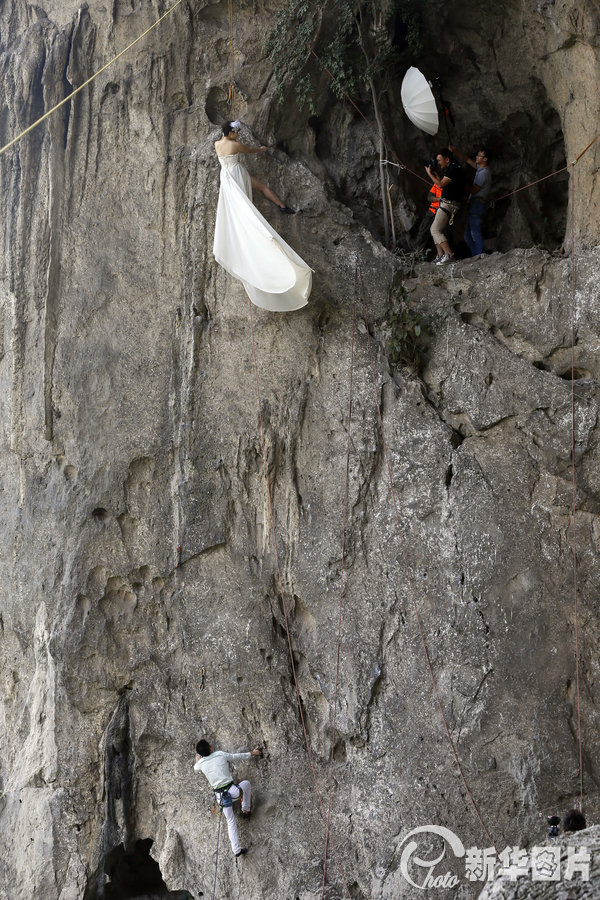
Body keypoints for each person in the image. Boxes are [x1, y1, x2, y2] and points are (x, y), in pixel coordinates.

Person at [213, 121, 312, 312]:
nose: (238, 135)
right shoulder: (234, 145)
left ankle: (281, 206)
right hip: (236, 174)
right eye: (237, 132)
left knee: (245, 200)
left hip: (226, 176)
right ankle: (282, 206)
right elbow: (249, 151)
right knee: (259, 191)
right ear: (231, 132)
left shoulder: (217, 144)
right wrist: (262, 149)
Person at [194, 739, 262, 857]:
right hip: (233, 792)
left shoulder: (200, 764)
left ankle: (236, 850)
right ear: (210, 748)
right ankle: (245, 810)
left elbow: (195, 767)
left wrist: (198, 759)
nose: (211, 745)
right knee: (246, 784)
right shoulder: (220, 754)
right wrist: (252, 753)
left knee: (230, 821)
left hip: (221, 797)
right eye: (210, 744)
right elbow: (236, 756)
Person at [425, 149, 465, 265]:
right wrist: (436, 174)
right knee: (435, 229)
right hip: (448, 203)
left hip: (449, 203)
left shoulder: (453, 168)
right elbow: (443, 184)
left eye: (439, 160)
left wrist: (429, 173)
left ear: (447, 159)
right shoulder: (453, 168)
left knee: (435, 230)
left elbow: (440, 184)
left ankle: (449, 255)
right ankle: (440, 255)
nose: (438, 163)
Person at [450, 144, 491, 258]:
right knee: (467, 235)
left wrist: (461, 182)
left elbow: (473, 190)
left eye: (479, 156)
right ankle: (475, 255)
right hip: (474, 203)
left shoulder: (484, 174)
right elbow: (468, 160)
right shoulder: (480, 169)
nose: (476, 157)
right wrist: (455, 151)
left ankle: (479, 255)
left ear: (485, 159)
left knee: (474, 232)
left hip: (477, 203)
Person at [413, 177, 442, 254]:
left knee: (440, 232)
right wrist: (438, 199)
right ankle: (416, 252)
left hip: (442, 212)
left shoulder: (449, 185)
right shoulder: (436, 184)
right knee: (422, 230)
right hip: (432, 211)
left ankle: (441, 254)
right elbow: (429, 197)